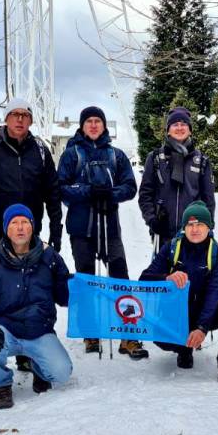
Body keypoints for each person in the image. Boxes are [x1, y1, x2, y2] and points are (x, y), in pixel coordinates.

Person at [0, 97, 63, 379]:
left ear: (30, 121)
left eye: (25, 115)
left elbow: (53, 195)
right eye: (14, 115)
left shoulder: (41, 151)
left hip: (31, 235)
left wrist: (56, 233)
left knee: (29, 292)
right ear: (6, 119)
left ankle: (26, 353)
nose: (20, 120)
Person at [0, 204, 73, 409]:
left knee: (62, 372)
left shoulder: (50, 258)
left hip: (39, 331)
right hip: (4, 331)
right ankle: (2, 384)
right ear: (6, 229)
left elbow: (64, 298)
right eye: (14, 223)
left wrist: (69, 283)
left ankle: (39, 370)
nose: (20, 228)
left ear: (32, 227)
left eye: (24, 222)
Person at [57, 106, 146, 358]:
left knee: (120, 277)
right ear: (82, 126)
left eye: (98, 121)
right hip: (81, 227)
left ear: (104, 126)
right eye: (89, 121)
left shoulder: (115, 155)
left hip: (109, 226)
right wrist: (87, 191)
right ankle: (90, 331)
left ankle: (128, 334)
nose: (94, 125)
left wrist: (109, 193)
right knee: (86, 279)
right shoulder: (71, 154)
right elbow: (61, 188)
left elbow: (130, 186)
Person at [139, 201, 218, 385]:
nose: (195, 229)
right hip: (178, 313)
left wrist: (202, 327)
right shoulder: (171, 248)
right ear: (184, 227)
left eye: (200, 224)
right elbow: (144, 280)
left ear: (209, 227)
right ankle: (184, 349)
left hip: (207, 312)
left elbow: (215, 292)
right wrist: (167, 277)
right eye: (190, 225)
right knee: (159, 334)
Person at [137, 107, 215, 249]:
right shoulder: (155, 158)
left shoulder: (201, 160)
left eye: (184, 124)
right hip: (162, 234)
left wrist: (208, 225)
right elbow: (145, 194)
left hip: (193, 231)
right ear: (168, 130)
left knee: (191, 271)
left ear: (190, 129)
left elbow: (208, 199)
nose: (179, 128)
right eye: (175, 124)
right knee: (163, 271)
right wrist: (152, 220)